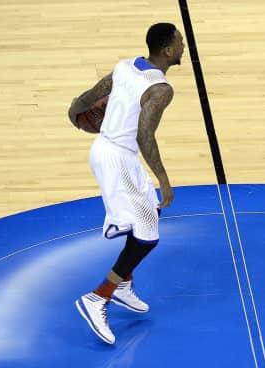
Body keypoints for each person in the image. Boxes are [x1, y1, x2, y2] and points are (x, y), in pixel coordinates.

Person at [68, 23, 185, 345]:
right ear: (168, 51)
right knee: (146, 238)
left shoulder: (124, 66)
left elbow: (92, 95)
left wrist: (75, 109)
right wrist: (164, 179)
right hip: (117, 159)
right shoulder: (161, 89)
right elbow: (144, 136)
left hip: (116, 154)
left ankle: (122, 285)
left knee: (147, 217)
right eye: (181, 42)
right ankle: (98, 297)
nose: (184, 46)